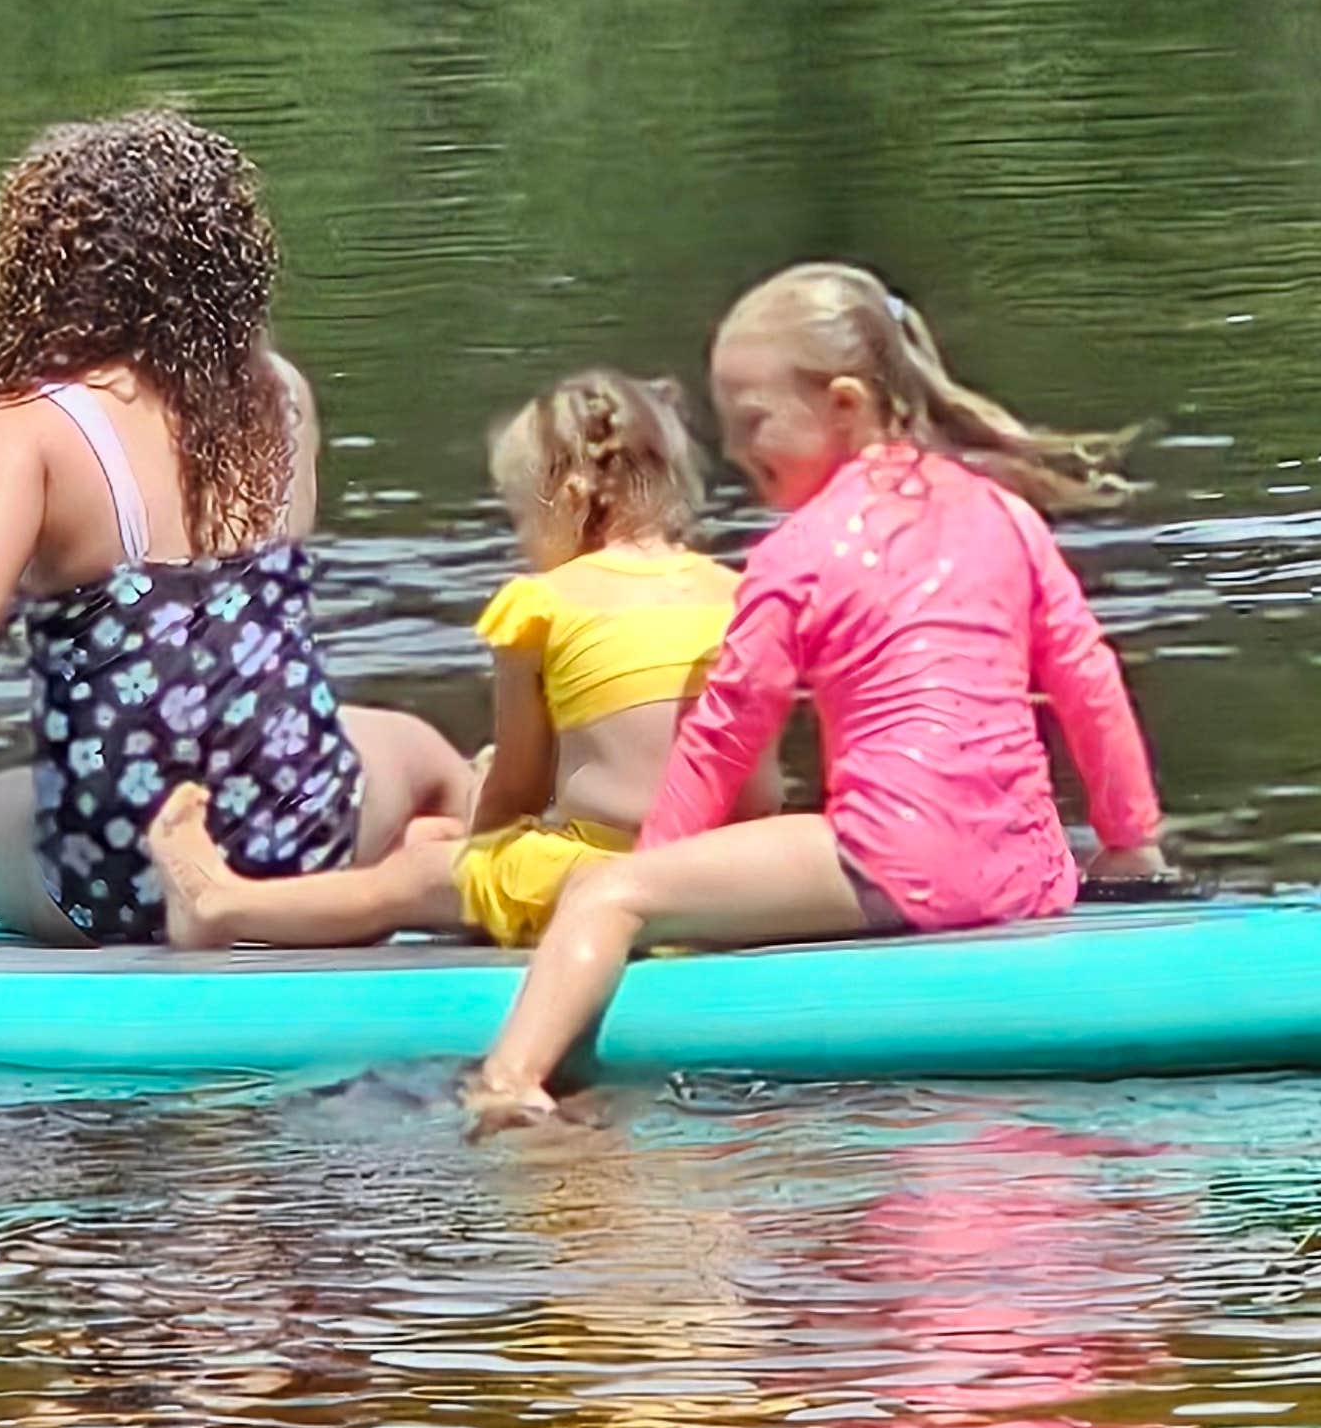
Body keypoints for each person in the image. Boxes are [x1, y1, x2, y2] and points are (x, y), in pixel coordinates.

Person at [470, 263, 1168, 1116]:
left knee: (602, 893)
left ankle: (507, 1083)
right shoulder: (1003, 513)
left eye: (751, 422)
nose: (733, 452)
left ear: (843, 405)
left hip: (899, 862)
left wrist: (661, 880)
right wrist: (1129, 840)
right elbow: (1085, 676)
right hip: (1032, 870)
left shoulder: (798, 553)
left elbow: (725, 731)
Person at [0, 109, 472, 944]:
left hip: (121, 869)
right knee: (417, 749)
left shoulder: (26, 426)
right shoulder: (281, 395)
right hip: (307, 835)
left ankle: (208, 897)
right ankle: (467, 863)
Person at [146, 368, 735, 950]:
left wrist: (468, 861)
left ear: (571, 502)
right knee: (447, 843)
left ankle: (217, 903)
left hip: (609, 875)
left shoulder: (540, 605)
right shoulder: (732, 590)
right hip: (722, 870)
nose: (522, 541)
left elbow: (516, 789)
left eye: (521, 518)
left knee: (408, 879)